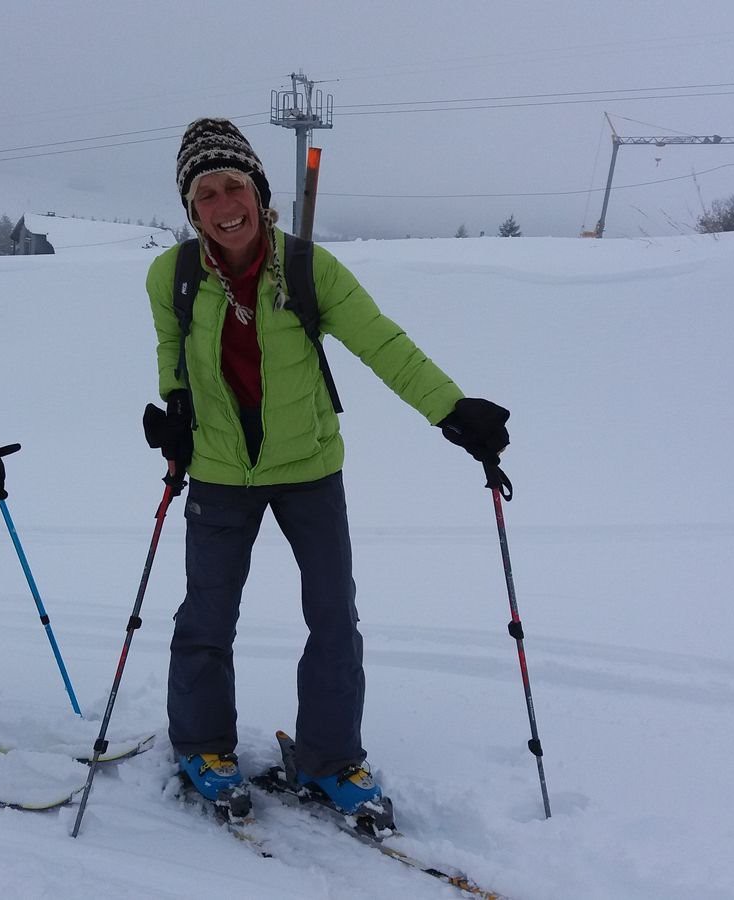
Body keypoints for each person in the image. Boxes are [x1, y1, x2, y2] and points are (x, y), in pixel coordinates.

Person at [143, 119, 510, 813]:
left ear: (259, 193)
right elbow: (171, 350)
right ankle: (201, 745)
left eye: (234, 186)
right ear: (190, 209)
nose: (224, 204)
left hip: (309, 467)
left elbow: (384, 345)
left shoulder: (309, 269)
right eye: (206, 193)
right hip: (220, 473)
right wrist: (174, 407)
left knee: (334, 616)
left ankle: (331, 757)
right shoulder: (174, 275)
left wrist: (452, 411)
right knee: (206, 616)